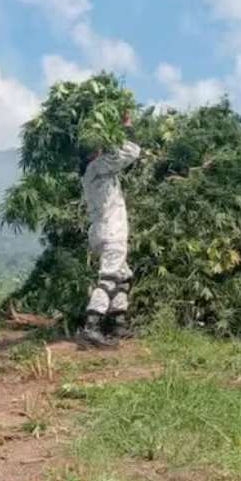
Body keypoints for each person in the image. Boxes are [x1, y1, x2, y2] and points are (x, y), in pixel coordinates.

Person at [76, 111, 141, 349]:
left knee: (124, 276)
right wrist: (126, 126)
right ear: (92, 153)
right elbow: (132, 151)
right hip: (111, 231)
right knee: (110, 277)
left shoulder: (89, 172)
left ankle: (117, 323)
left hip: (102, 231)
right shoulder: (97, 166)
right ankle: (91, 326)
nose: (102, 150)